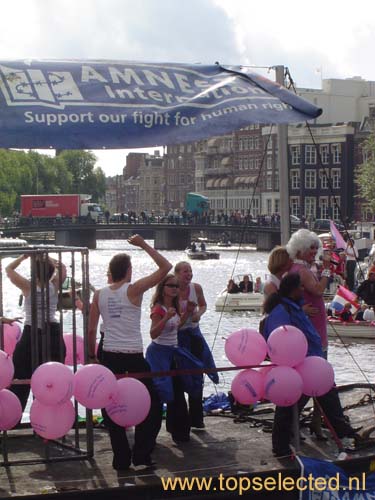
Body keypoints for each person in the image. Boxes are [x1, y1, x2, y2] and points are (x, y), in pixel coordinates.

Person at [87, 235, 172, 471]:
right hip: (133, 355)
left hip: (109, 354)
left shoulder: (99, 294)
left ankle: (121, 458)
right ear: (128, 270)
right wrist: (144, 244)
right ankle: (141, 455)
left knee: (110, 404)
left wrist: (92, 356)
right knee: (153, 406)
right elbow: (166, 267)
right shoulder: (133, 289)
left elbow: (92, 328)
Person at [263, 273, 361, 457]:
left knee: (327, 395)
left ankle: (344, 431)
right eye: (300, 287)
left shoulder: (294, 307)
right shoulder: (282, 311)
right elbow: (278, 340)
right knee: (288, 405)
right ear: (293, 290)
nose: (303, 290)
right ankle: (281, 447)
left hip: (311, 363)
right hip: (299, 367)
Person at [146, 274, 203, 444]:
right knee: (160, 392)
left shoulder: (175, 307)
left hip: (173, 352)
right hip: (158, 354)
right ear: (163, 288)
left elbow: (175, 327)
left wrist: (188, 313)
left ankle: (180, 432)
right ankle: (150, 435)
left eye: (177, 286)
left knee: (178, 391)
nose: (175, 289)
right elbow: (153, 333)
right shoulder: (158, 308)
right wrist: (165, 318)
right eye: (171, 286)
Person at [6, 253, 67, 412]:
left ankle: (14, 419)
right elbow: (64, 268)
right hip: (52, 333)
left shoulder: (28, 286)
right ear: (50, 271)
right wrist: (48, 258)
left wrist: (23, 257)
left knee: (21, 377)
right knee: (49, 380)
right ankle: (48, 419)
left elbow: (8, 269)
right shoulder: (54, 285)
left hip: (31, 333)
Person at [174, 261, 219, 429]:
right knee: (179, 376)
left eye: (190, 271)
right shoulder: (172, 291)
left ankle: (197, 419)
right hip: (178, 336)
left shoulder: (196, 288)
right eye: (185, 271)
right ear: (177, 274)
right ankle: (180, 419)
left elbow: (204, 305)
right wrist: (186, 314)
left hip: (193, 334)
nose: (189, 274)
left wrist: (198, 314)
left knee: (197, 373)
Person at [286, 229, 331, 356]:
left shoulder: (296, 268)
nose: (315, 251)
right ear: (300, 249)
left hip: (309, 322)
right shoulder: (302, 270)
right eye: (311, 248)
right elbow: (318, 290)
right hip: (312, 326)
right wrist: (327, 270)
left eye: (316, 248)